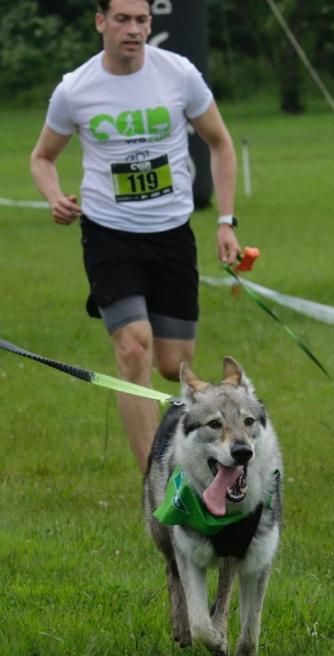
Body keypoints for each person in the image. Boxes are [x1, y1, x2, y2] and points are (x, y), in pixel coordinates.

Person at [30, 0, 241, 474]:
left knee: (173, 364)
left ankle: (181, 441)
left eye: (142, 20)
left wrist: (226, 220)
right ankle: (156, 478)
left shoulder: (179, 74)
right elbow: (42, 157)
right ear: (100, 21)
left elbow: (220, 141)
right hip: (109, 235)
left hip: (171, 234)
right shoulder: (76, 89)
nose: (133, 29)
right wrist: (54, 196)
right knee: (133, 349)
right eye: (122, 19)